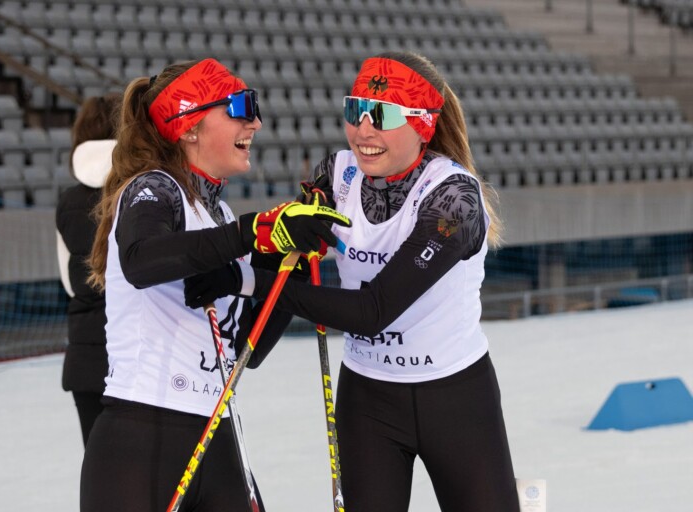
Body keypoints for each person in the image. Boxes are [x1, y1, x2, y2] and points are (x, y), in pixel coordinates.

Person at [185, 51, 520, 512]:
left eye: (382, 115)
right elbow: (288, 268)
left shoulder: (453, 199)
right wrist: (251, 325)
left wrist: (242, 280)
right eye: (355, 110)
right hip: (368, 399)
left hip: (455, 398)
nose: (364, 130)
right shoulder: (336, 174)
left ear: (422, 123)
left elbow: (372, 312)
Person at [79, 58, 351, 512]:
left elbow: (247, 349)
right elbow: (142, 260)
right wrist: (253, 232)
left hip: (218, 432)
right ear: (189, 125)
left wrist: (293, 264)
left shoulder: (218, 214)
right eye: (241, 108)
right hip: (144, 435)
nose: (255, 122)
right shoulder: (154, 189)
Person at [56, 92, 122, 446]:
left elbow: (70, 283)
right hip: (134, 355)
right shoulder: (146, 191)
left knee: (99, 468)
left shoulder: (67, 201)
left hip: (85, 357)